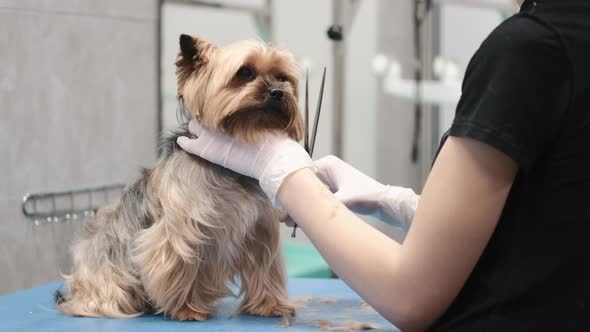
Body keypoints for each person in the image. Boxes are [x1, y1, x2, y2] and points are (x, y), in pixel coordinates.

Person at [177, 0, 590, 330]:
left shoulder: (533, 47)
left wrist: (283, 172)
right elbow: (549, 217)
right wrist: (402, 203)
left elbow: (409, 298)